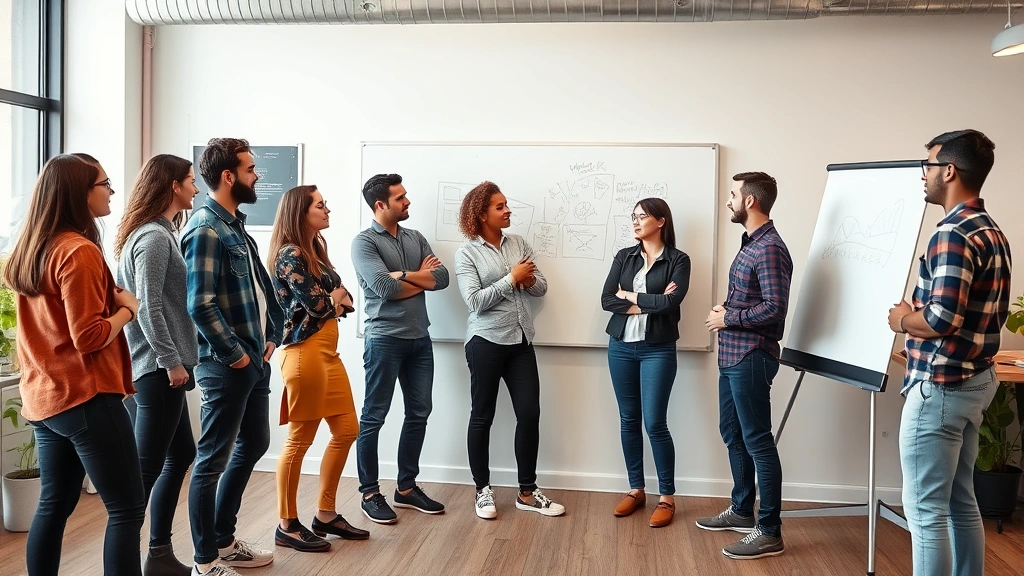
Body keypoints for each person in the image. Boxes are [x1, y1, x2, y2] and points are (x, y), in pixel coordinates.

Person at [3, 154, 145, 575]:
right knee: (127, 508)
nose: (112, 191)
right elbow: (89, 337)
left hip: (46, 398)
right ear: (79, 193)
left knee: (55, 503)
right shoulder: (78, 251)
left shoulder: (32, 249)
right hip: (86, 395)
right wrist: (128, 310)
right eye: (105, 183)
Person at [887, 130, 1011, 576]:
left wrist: (903, 319)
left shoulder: (952, 233)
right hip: (973, 381)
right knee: (960, 501)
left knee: (925, 511)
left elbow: (942, 319)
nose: (923, 175)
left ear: (950, 171)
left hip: (941, 386)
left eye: (928, 166)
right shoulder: (991, 231)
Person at [181, 138, 284, 576]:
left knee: (255, 442)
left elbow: (259, 290)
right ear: (229, 176)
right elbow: (199, 304)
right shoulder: (205, 228)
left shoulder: (234, 226)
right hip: (226, 365)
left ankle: (223, 539)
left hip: (253, 359)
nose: (256, 175)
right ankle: (205, 562)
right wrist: (237, 356)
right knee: (210, 462)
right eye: (250, 169)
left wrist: (271, 336)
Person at [453, 181, 565, 520]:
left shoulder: (518, 243)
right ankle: (482, 490)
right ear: (481, 213)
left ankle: (527, 493)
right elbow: (474, 301)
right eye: (500, 206)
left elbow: (541, 287)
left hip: (521, 342)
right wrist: (512, 278)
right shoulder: (467, 253)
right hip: (485, 342)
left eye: (506, 205)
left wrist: (528, 280)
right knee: (482, 416)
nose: (507, 210)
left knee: (529, 414)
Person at [268, 185, 369, 552]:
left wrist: (333, 301)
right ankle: (287, 524)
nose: (327, 210)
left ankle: (325, 514)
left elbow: (346, 300)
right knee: (300, 440)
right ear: (301, 212)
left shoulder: (314, 252)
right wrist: (333, 301)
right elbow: (319, 306)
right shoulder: (290, 254)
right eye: (320, 205)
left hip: (327, 353)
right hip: (304, 353)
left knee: (347, 429)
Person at [698, 171, 792, 560]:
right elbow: (752, 297)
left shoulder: (769, 248)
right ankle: (741, 510)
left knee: (758, 441)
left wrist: (728, 318)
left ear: (750, 201)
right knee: (732, 433)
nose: (729, 201)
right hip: (732, 354)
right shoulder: (751, 243)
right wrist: (729, 307)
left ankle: (769, 531)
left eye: (733, 195)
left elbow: (775, 308)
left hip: (752, 356)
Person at [115, 154, 201, 576]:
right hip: (156, 370)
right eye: (191, 180)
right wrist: (170, 361)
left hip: (158, 368)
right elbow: (147, 306)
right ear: (172, 185)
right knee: (143, 473)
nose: (196, 188)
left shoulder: (161, 233)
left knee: (182, 452)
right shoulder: (152, 237)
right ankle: (128, 561)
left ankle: (160, 554)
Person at [351, 173, 450, 524]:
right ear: (381, 204)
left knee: (419, 412)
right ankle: (370, 493)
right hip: (384, 339)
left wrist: (402, 275)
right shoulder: (364, 243)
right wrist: (418, 276)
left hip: (419, 339)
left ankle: (406, 488)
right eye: (401, 198)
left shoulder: (415, 237)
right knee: (373, 417)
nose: (408, 202)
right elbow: (384, 289)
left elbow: (442, 279)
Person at [601, 197, 690, 528]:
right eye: (633, 217)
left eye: (642, 216)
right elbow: (606, 299)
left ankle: (667, 497)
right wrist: (649, 302)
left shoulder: (678, 260)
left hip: (658, 349)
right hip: (621, 346)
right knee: (628, 419)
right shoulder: (624, 256)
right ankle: (636, 489)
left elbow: (671, 303)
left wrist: (629, 295)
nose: (635, 222)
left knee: (654, 423)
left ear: (661, 221)